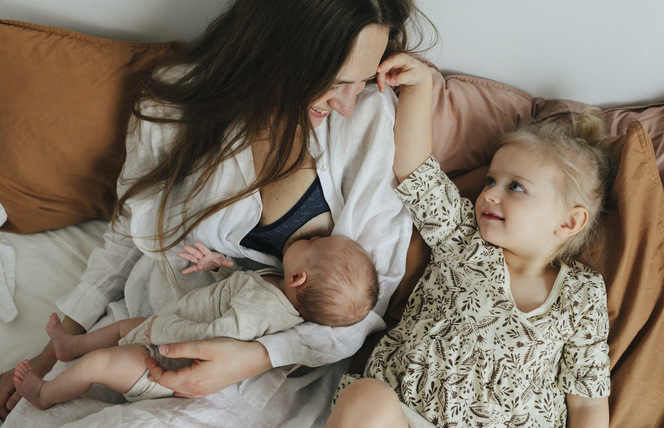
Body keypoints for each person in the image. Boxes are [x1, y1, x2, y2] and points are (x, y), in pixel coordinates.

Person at [0, 0, 435, 422]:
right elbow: (127, 237)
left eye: (361, 80)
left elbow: (367, 298)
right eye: (336, 81)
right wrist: (43, 361)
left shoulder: (369, 116)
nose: (346, 102)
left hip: (281, 364)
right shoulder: (172, 110)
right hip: (158, 323)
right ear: (281, 50)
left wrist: (255, 356)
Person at [326, 54, 612, 427]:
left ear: (569, 221)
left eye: (516, 187)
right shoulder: (461, 236)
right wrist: (419, 87)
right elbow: (416, 171)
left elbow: (588, 400)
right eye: (491, 180)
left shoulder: (582, 295)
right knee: (365, 397)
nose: (490, 194)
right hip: (406, 414)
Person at [13, 235, 379, 408]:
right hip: (160, 334)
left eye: (312, 241)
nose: (305, 236)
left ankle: (45, 394)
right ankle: (71, 345)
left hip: (164, 362)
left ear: (299, 278)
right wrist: (217, 267)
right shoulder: (274, 284)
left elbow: (217, 337)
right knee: (126, 326)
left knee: (101, 363)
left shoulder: (264, 310)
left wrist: (163, 332)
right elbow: (234, 292)